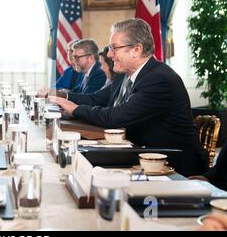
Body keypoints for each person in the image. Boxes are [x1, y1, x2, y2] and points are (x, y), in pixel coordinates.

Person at [49, 18, 208, 176]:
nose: (110, 54)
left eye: (114, 48)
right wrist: (65, 99)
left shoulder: (159, 79)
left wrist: (75, 109)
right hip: (140, 153)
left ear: (136, 49)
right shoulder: (124, 76)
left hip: (172, 164)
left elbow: (115, 117)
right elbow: (96, 99)